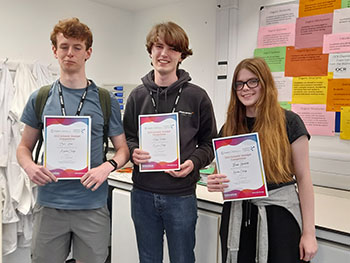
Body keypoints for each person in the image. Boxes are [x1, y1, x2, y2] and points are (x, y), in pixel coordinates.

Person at [16, 17, 129, 263]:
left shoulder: (105, 99)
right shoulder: (40, 97)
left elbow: (122, 150)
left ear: (88, 52)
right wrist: (29, 166)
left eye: (77, 47)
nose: (70, 53)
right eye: (64, 46)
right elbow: (24, 147)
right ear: (55, 51)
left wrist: (106, 168)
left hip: (92, 204)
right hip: (50, 203)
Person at [207, 57, 318, 263]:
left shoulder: (290, 123)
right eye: (239, 84)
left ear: (265, 83)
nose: (245, 89)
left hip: (279, 218)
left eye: (252, 81)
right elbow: (220, 175)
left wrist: (309, 233)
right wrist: (215, 182)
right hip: (237, 218)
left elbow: (304, 178)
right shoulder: (229, 127)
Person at [123, 21, 217, 263]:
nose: (164, 54)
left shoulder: (197, 97)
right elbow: (128, 137)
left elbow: (210, 144)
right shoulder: (137, 96)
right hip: (143, 194)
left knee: (183, 259)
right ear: (150, 51)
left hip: (181, 196)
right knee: (148, 259)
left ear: (182, 55)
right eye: (158, 46)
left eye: (172, 48)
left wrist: (193, 163)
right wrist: (133, 151)